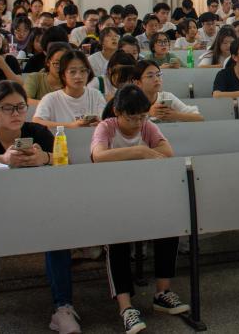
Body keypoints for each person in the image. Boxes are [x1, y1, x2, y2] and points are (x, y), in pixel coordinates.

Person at [0, 81, 79, 334]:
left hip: (28, 210)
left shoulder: (38, 132)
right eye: (7, 108)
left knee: (57, 233)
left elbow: (66, 162)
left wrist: (44, 157)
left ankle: (62, 308)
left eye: (20, 107)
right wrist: (1, 159)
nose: (16, 113)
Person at [89, 85, 190, 334]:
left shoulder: (147, 126)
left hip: (145, 195)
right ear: (117, 112)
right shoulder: (106, 127)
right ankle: (126, 307)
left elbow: (167, 151)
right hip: (112, 199)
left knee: (169, 228)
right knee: (117, 240)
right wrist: (140, 150)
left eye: (142, 117)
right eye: (131, 117)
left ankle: (162, 292)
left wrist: (143, 148)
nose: (137, 123)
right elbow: (98, 155)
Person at [33, 50, 106, 129]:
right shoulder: (50, 99)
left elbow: (106, 120)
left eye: (83, 71)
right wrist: (71, 126)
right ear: (63, 75)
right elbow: (36, 122)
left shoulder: (95, 95)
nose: (78, 76)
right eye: (72, 72)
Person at [131, 60, 203, 122]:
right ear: (137, 83)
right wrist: (148, 114)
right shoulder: (131, 100)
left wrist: (175, 115)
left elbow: (199, 118)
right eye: (150, 76)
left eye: (158, 75)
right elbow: (128, 126)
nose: (156, 79)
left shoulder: (167, 96)